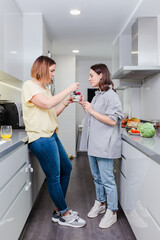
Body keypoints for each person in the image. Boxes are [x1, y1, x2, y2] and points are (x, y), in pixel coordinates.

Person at [22, 55, 86, 228]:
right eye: (51, 71)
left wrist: (65, 102)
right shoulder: (29, 86)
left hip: (51, 135)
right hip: (41, 138)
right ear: (42, 69)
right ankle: (64, 213)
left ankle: (59, 211)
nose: (53, 75)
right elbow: (48, 104)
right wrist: (68, 89)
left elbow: (51, 112)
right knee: (54, 177)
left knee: (67, 168)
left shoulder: (44, 89)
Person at [79, 63, 123, 229]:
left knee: (107, 180)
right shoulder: (98, 95)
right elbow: (95, 118)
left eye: (91, 75)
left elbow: (112, 120)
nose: (89, 78)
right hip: (94, 144)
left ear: (101, 75)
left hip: (104, 145)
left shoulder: (111, 95)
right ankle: (101, 202)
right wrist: (86, 106)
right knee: (97, 177)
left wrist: (91, 110)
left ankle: (112, 211)